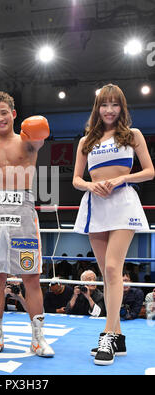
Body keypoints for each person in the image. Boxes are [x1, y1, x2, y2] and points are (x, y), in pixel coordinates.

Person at [73, 84, 154, 365]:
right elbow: (76, 179)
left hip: (123, 203)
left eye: (114, 104)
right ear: (98, 108)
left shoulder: (133, 135)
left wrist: (122, 179)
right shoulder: (87, 140)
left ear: (122, 107)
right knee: (107, 275)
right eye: (104, 105)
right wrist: (90, 186)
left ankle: (107, 334)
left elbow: (149, 171)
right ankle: (118, 338)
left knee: (111, 267)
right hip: (96, 205)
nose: (109, 110)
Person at [0, 91, 54, 357]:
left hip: (23, 212)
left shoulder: (29, 141)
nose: (0, 117)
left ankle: (38, 338)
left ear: (14, 114)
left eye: (4, 112)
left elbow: (41, 136)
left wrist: (39, 130)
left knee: (31, 276)